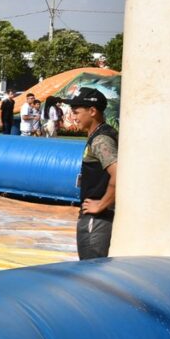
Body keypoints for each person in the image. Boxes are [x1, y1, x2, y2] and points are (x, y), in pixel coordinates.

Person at [64, 88, 118, 260]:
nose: (73, 117)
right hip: (98, 218)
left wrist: (101, 205)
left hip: (97, 219)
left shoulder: (101, 140)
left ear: (92, 111)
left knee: (91, 271)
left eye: (76, 112)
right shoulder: (100, 134)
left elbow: (118, 174)